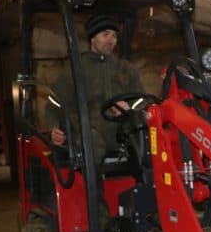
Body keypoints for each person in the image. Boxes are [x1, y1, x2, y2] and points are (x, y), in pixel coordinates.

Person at [45, 14, 145, 161]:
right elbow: (54, 103)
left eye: (114, 36)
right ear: (92, 38)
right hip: (86, 134)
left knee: (151, 141)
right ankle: (94, 183)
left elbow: (142, 99)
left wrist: (129, 108)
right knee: (93, 143)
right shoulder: (75, 70)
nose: (111, 41)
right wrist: (54, 128)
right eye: (105, 35)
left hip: (121, 132)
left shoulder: (126, 68)